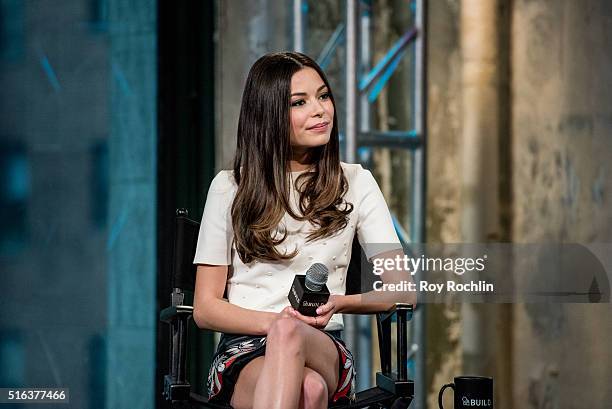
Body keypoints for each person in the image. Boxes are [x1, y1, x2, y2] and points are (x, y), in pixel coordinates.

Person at [192, 51, 415, 409]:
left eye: (324, 96)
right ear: (268, 115)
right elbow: (204, 308)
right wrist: (278, 323)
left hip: (323, 345)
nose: (320, 110)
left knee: (295, 340)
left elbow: (403, 290)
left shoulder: (357, 182)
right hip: (245, 348)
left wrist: (340, 302)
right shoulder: (229, 187)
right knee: (309, 392)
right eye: (300, 102)